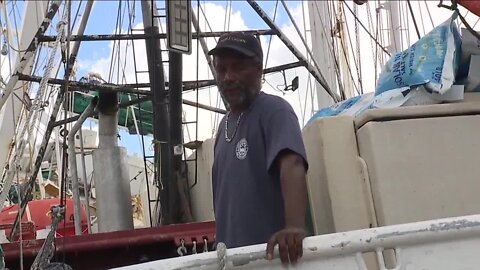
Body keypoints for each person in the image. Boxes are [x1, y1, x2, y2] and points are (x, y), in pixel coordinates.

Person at [209, 32, 309, 264]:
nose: (228, 77)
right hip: (235, 262)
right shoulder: (223, 126)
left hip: (272, 260)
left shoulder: (275, 111)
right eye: (221, 69)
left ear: (258, 69)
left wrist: (294, 227)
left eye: (238, 68)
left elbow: (292, 163)